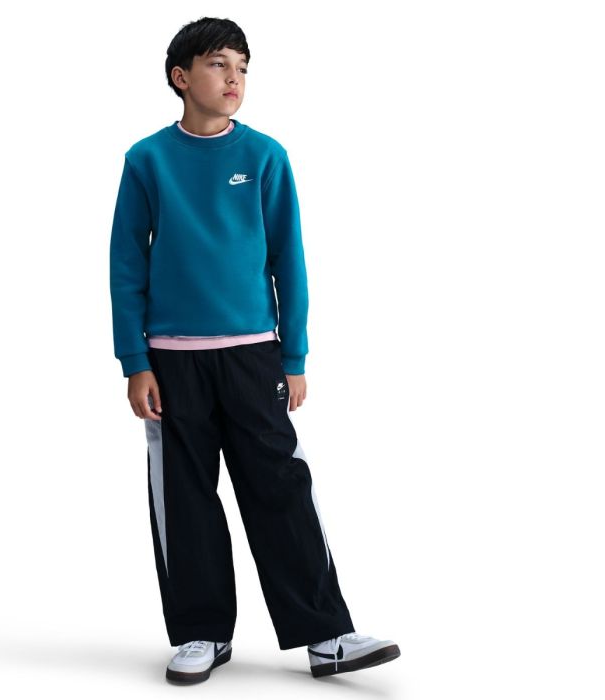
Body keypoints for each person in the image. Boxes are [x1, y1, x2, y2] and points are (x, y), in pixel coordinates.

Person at [109, 16, 401, 684]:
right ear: (181, 77)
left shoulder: (266, 156)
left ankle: (326, 635)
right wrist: (136, 362)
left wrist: (294, 357)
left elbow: (288, 260)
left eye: (242, 66)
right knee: (184, 495)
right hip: (171, 359)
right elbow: (126, 265)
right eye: (218, 64)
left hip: (253, 355)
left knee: (280, 488)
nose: (234, 77)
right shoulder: (146, 160)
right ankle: (201, 633)